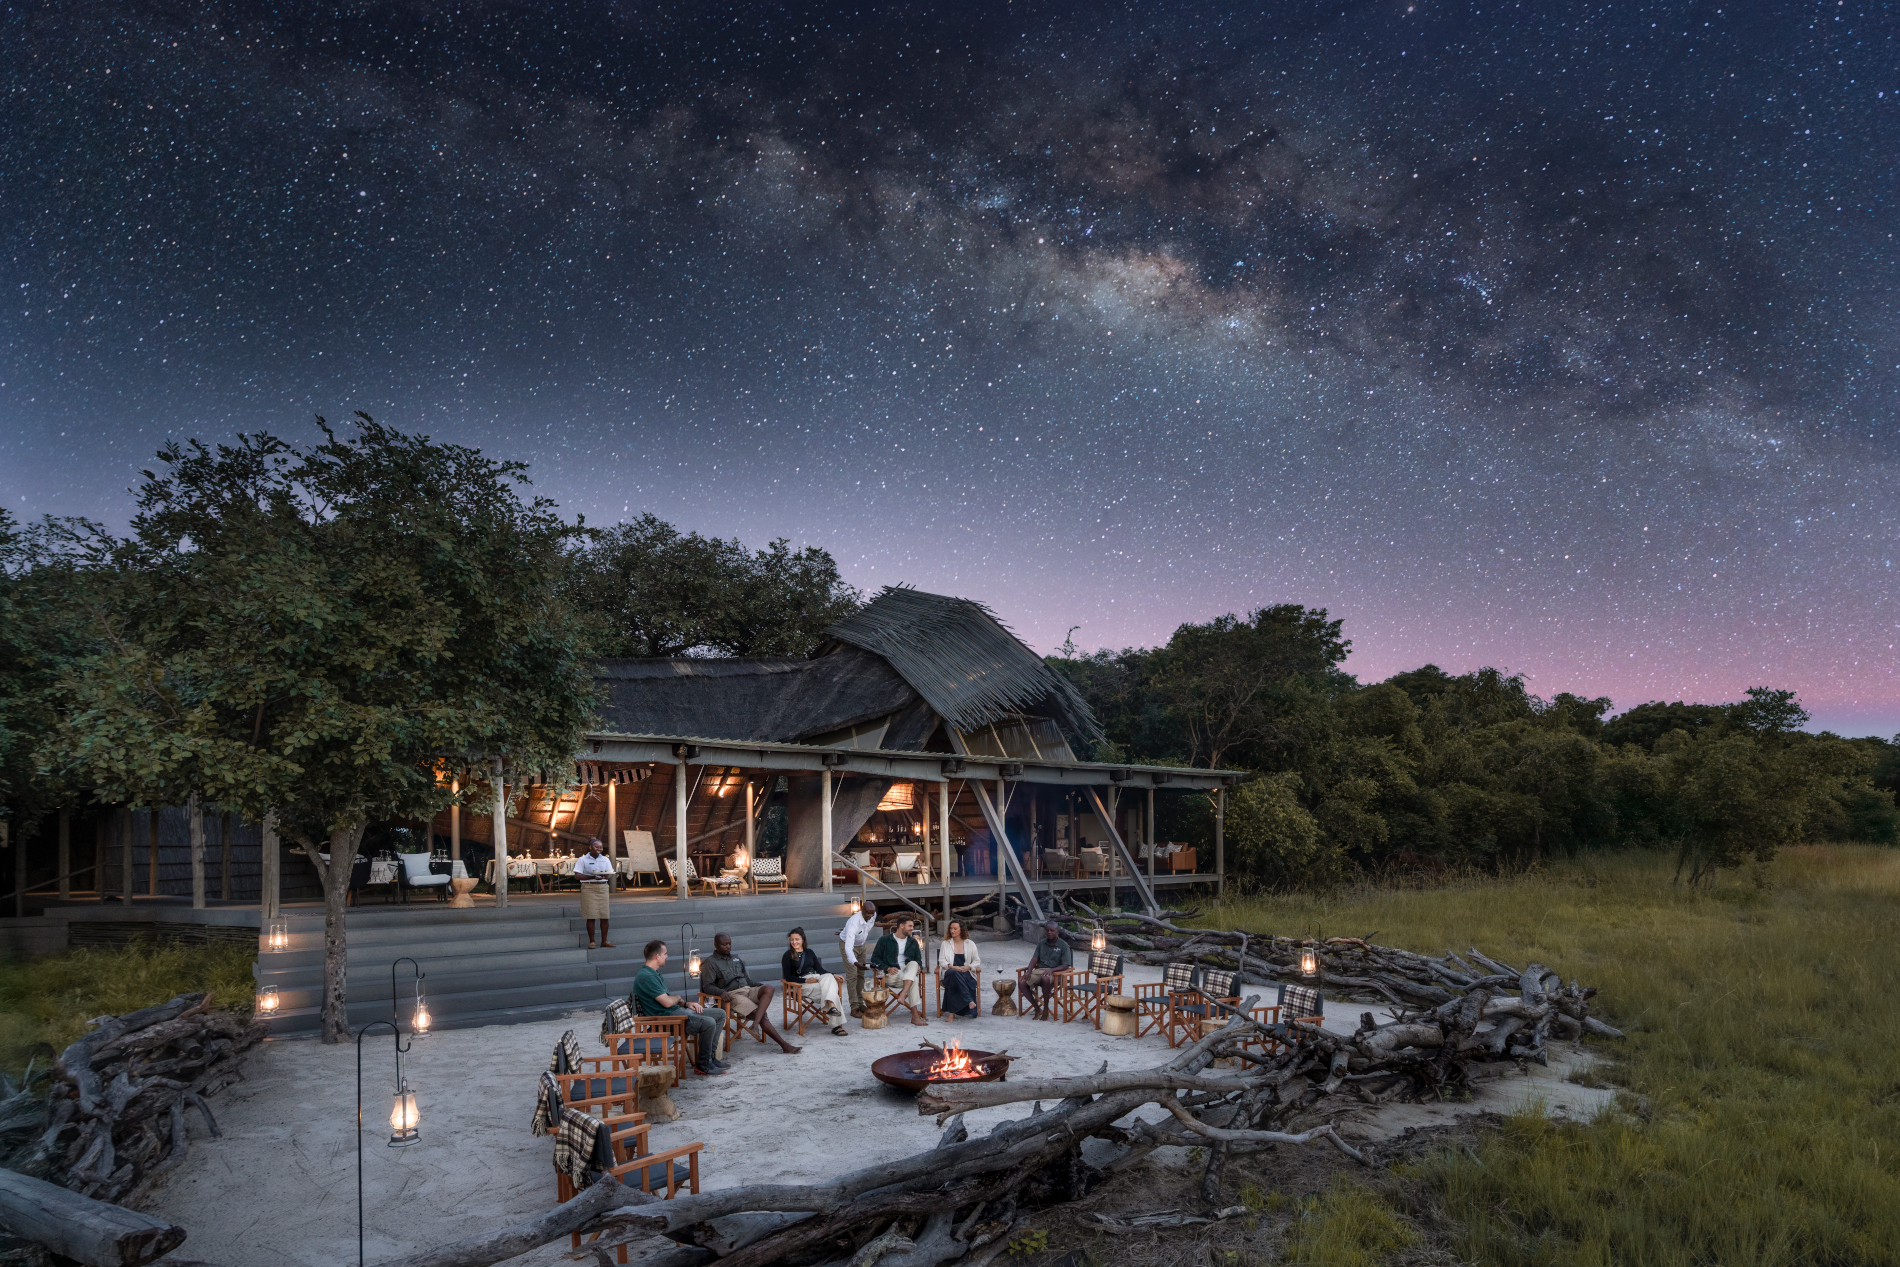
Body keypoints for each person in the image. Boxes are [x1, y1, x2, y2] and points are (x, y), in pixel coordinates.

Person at [632, 939, 728, 1077]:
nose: (667, 956)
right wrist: (677, 998)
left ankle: (710, 1058)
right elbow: (666, 1002)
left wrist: (687, 1003)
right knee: (708, 1022)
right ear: (657, 956)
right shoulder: (646, 976)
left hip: (674, 1013)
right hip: (665, 1021)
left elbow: (668, 1000)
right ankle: (703, 1065)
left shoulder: (653, 973)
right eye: (665, 954)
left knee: (719, 1014)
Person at [702, 933, 801, 1054]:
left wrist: (757, 984)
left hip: (747, 989)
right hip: (731, 995)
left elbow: (746, 980)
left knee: (768, 988)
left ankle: (755, 1023)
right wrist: (721, 992)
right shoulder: (710, 963)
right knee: (760, 1014)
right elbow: (707, 986)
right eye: (724, 944)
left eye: (729, 943)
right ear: (715, 945)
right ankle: (785, 1046)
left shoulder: (736, 959)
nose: (728, 946)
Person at [782, 926, 849, 1036]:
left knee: (828, 977)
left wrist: (833, 975)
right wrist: (805, 980)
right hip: (800, 984)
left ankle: (832, 1007)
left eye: (797, 939)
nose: (794, 942)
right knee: (832, 993)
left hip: (816, 978)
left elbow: (821, 971)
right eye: (792, 939)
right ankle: (836, 1025)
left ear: (803, 940)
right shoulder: (787, 955)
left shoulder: (810, 952)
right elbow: (788, 977)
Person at [870, 915, 929, 1025]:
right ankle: (915, 1016)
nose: (912, 928)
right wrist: (887, 968)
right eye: (910, 926)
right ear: (901, 926)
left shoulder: (913, 942)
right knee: (914, 980)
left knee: (914, 963)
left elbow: (918, 960)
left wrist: (918, 967)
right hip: (892, 975)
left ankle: (903, 996)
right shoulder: (885, 940)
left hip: (907, 972)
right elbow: (875, 959)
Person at [838, 899, 879, 1017]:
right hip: (848, 946)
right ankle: (854, 1007)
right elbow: (848, 948)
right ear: (862, 911)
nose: (870, 916)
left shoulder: (873, 915)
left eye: (872, 914)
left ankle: (860, 1002)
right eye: (868, 914)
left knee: (861, 974)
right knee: (852, 976)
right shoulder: (853, 923)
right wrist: (855, 962)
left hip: (862, 945)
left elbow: (869, 925)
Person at [1024, 920, 1072, 1021]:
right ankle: (1037, 1009)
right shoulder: (1041, 943)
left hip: (1056, 972)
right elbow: (1034, 959)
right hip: (1040, 970)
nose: (1049, 932)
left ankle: (1046, 1008)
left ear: (1057, 932)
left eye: (1052, 930)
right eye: (1047, 930)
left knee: (1045, 978)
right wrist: (1028, 971)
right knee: (1022, 982)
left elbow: (1066, 966)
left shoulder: (1063, 945)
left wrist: (1052, 970)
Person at [574, 836, 617, 949]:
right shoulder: (582, 859)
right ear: (590, 847)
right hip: (589, 888)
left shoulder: (605, 859)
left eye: (601, 847)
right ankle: (592, 941)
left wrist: (604, 874)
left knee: (604, 915)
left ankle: (604, 941)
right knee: (591, 915)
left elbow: (608, 873)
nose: (599, 849)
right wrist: (591, 876)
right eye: (596, 846)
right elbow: (577, 875)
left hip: (602, 888)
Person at [937, 918, 981, 1019]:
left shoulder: (970, 944)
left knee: (955, 980)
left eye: (955, 928)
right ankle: (969, 1000)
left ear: (961, 929)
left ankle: (951, 1013)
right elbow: (942, 961)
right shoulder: (945, 943)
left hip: (966, 973)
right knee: (953, 973)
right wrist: (952, 967)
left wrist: (969, 967)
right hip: (949, 972)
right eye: (951, 928)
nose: (952, 931)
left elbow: (977, 961)